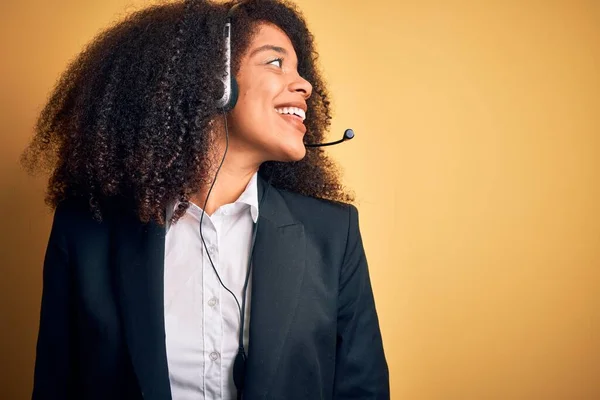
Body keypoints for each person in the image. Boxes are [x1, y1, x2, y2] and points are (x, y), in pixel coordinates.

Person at [22, 0, 389, 399]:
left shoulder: (333, 234)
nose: (305, 85)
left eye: (300, 71)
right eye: (275, 63)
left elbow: (363, 390)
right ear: (212, 81)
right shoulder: (86, 231)